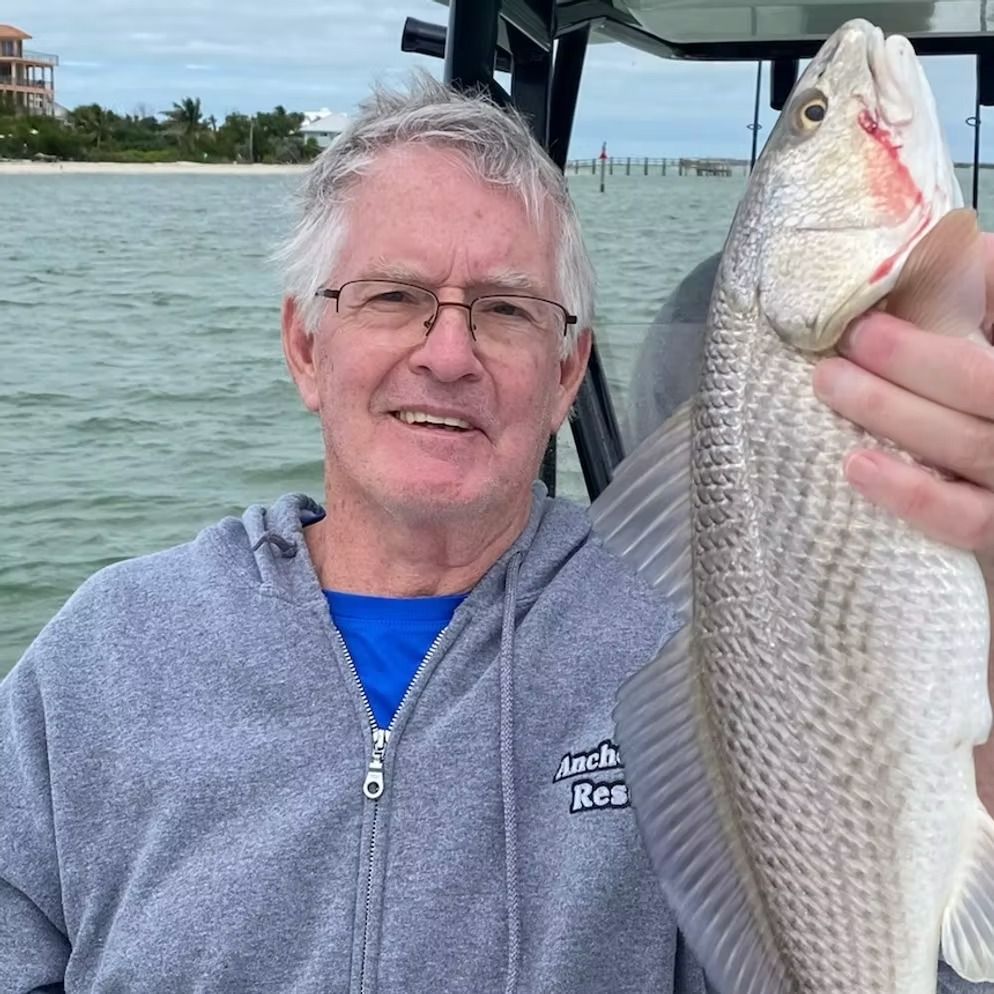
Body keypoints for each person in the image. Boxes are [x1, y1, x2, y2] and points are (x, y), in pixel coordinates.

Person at [0, 73, 992, 994]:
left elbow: (898, 936)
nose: (447, 354)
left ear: (567, 374)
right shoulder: (104, 655)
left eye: (506, 311)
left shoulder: (698, 642)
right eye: (392, 297)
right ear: (306, 347)